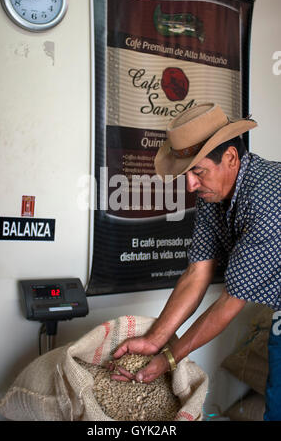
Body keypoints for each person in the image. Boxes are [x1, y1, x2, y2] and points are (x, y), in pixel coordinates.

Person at [109, 103, 281, 421]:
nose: (190, 185)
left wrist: (170, 359)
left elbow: (231, 302)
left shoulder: (268, 200)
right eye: (186, 175)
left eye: (198, 172)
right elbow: (196, 271)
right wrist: (154, 339)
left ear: (230, 158)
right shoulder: (212, 195)